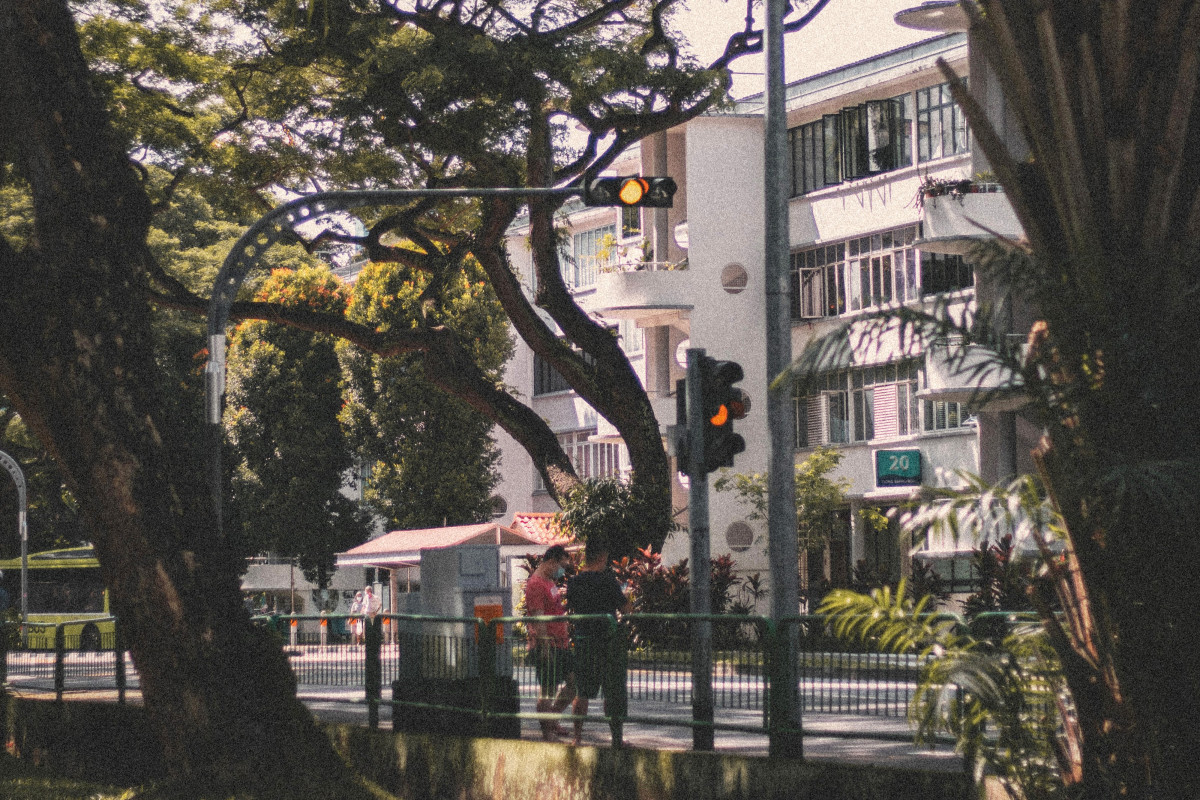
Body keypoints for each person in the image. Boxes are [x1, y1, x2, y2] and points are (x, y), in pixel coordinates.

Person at [565, 541, 631, 745]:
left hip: (584, 640)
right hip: (607, 641)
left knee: (581, 691)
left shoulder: (574, 582)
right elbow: (626, 608)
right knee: (612, 691)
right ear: (602, 557)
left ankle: (577, 737)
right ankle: (616, 739)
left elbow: (572, 606)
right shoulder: (608, 580)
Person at [524, 544, 575, 740]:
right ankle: (547, 732)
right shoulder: (536, 584)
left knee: (573, 683)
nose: (562, 570)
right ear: (552, 561)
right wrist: (544, 646)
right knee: (548, 689)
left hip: (561, 643)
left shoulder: (549, 582)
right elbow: (538, 618)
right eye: (561, 565)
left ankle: (552, 718)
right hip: (548, 645)